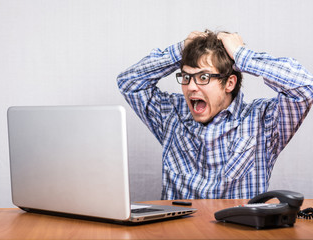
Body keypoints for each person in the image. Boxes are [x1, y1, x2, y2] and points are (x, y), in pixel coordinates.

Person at [117, 30, 313, 199]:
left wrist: (241, 54)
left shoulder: (264, 121)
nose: (191, 87)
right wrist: (179, 51)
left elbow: (304, 88)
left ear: (229, 83)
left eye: (203, 77)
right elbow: (129, 82)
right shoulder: (170, 114)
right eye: (186, 77)